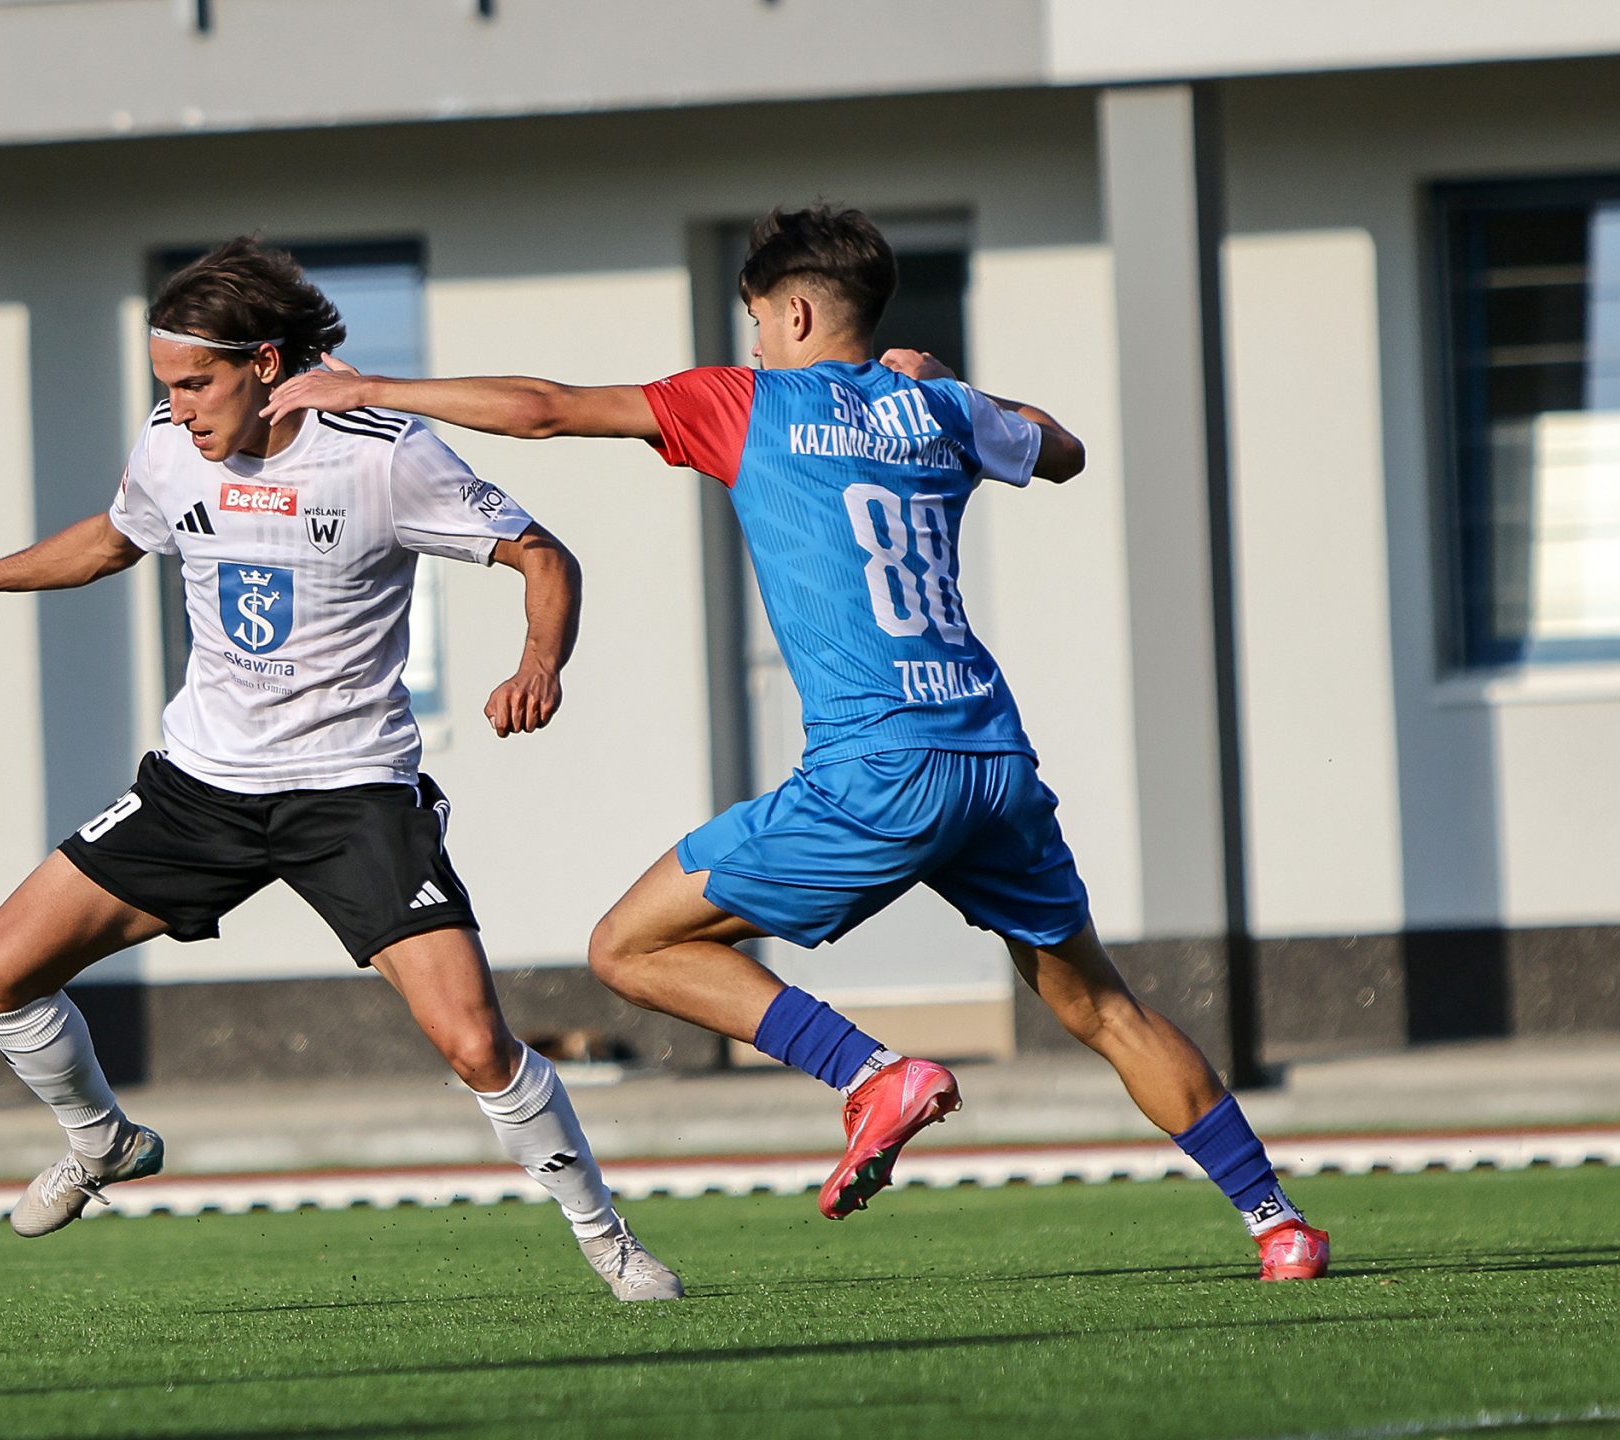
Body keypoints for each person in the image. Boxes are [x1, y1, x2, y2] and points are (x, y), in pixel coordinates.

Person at [264, 206, 1329, 1282]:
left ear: (798, 313)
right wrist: (951, 383)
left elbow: (546, 410)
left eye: (759, 322)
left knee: (628, 949)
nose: (756, 342)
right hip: (992, 761)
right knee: (1100, 1004)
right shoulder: (942, 409)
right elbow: (1063, 449)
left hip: (878, 767)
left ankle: (870, 1074)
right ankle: (1276, 1220)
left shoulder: (746, 402)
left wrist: (372, 390)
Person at [0, 237, 682, 1301]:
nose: (176, 408)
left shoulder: (383, 453)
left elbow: (543, 555)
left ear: (264, 363)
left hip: (352, 794)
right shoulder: (169, 446)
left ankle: (609, 1243)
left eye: (195, 383)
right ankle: (101, 1142)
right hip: (199, 788)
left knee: (473, 1042)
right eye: (164, 385)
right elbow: (117, 539)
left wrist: (538, 663)